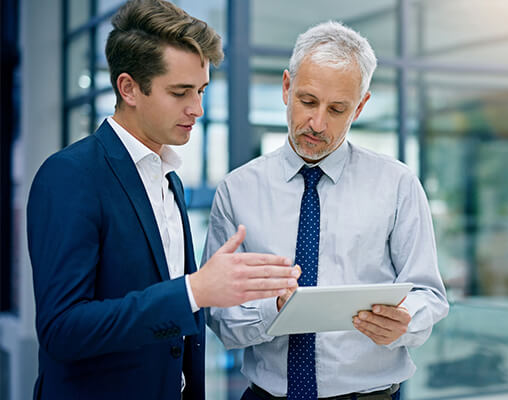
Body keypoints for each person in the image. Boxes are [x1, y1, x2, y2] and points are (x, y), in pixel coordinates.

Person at [26, 1, 299, 399]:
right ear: (129, 88)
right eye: (180, 92)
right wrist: (193, 292)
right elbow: (62, 329)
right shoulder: (70, 175)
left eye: (201, 90)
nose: (198, 109)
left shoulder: (170, 180)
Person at [203, 21, 449, 400]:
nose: (317, 123)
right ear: (287, 87)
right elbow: (220, 320)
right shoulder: (238, 191)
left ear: (361, 106)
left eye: (337, 109)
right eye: (307, 101)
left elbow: (429, 295)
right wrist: (275, 310)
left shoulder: (397, 185)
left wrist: (405, 321)